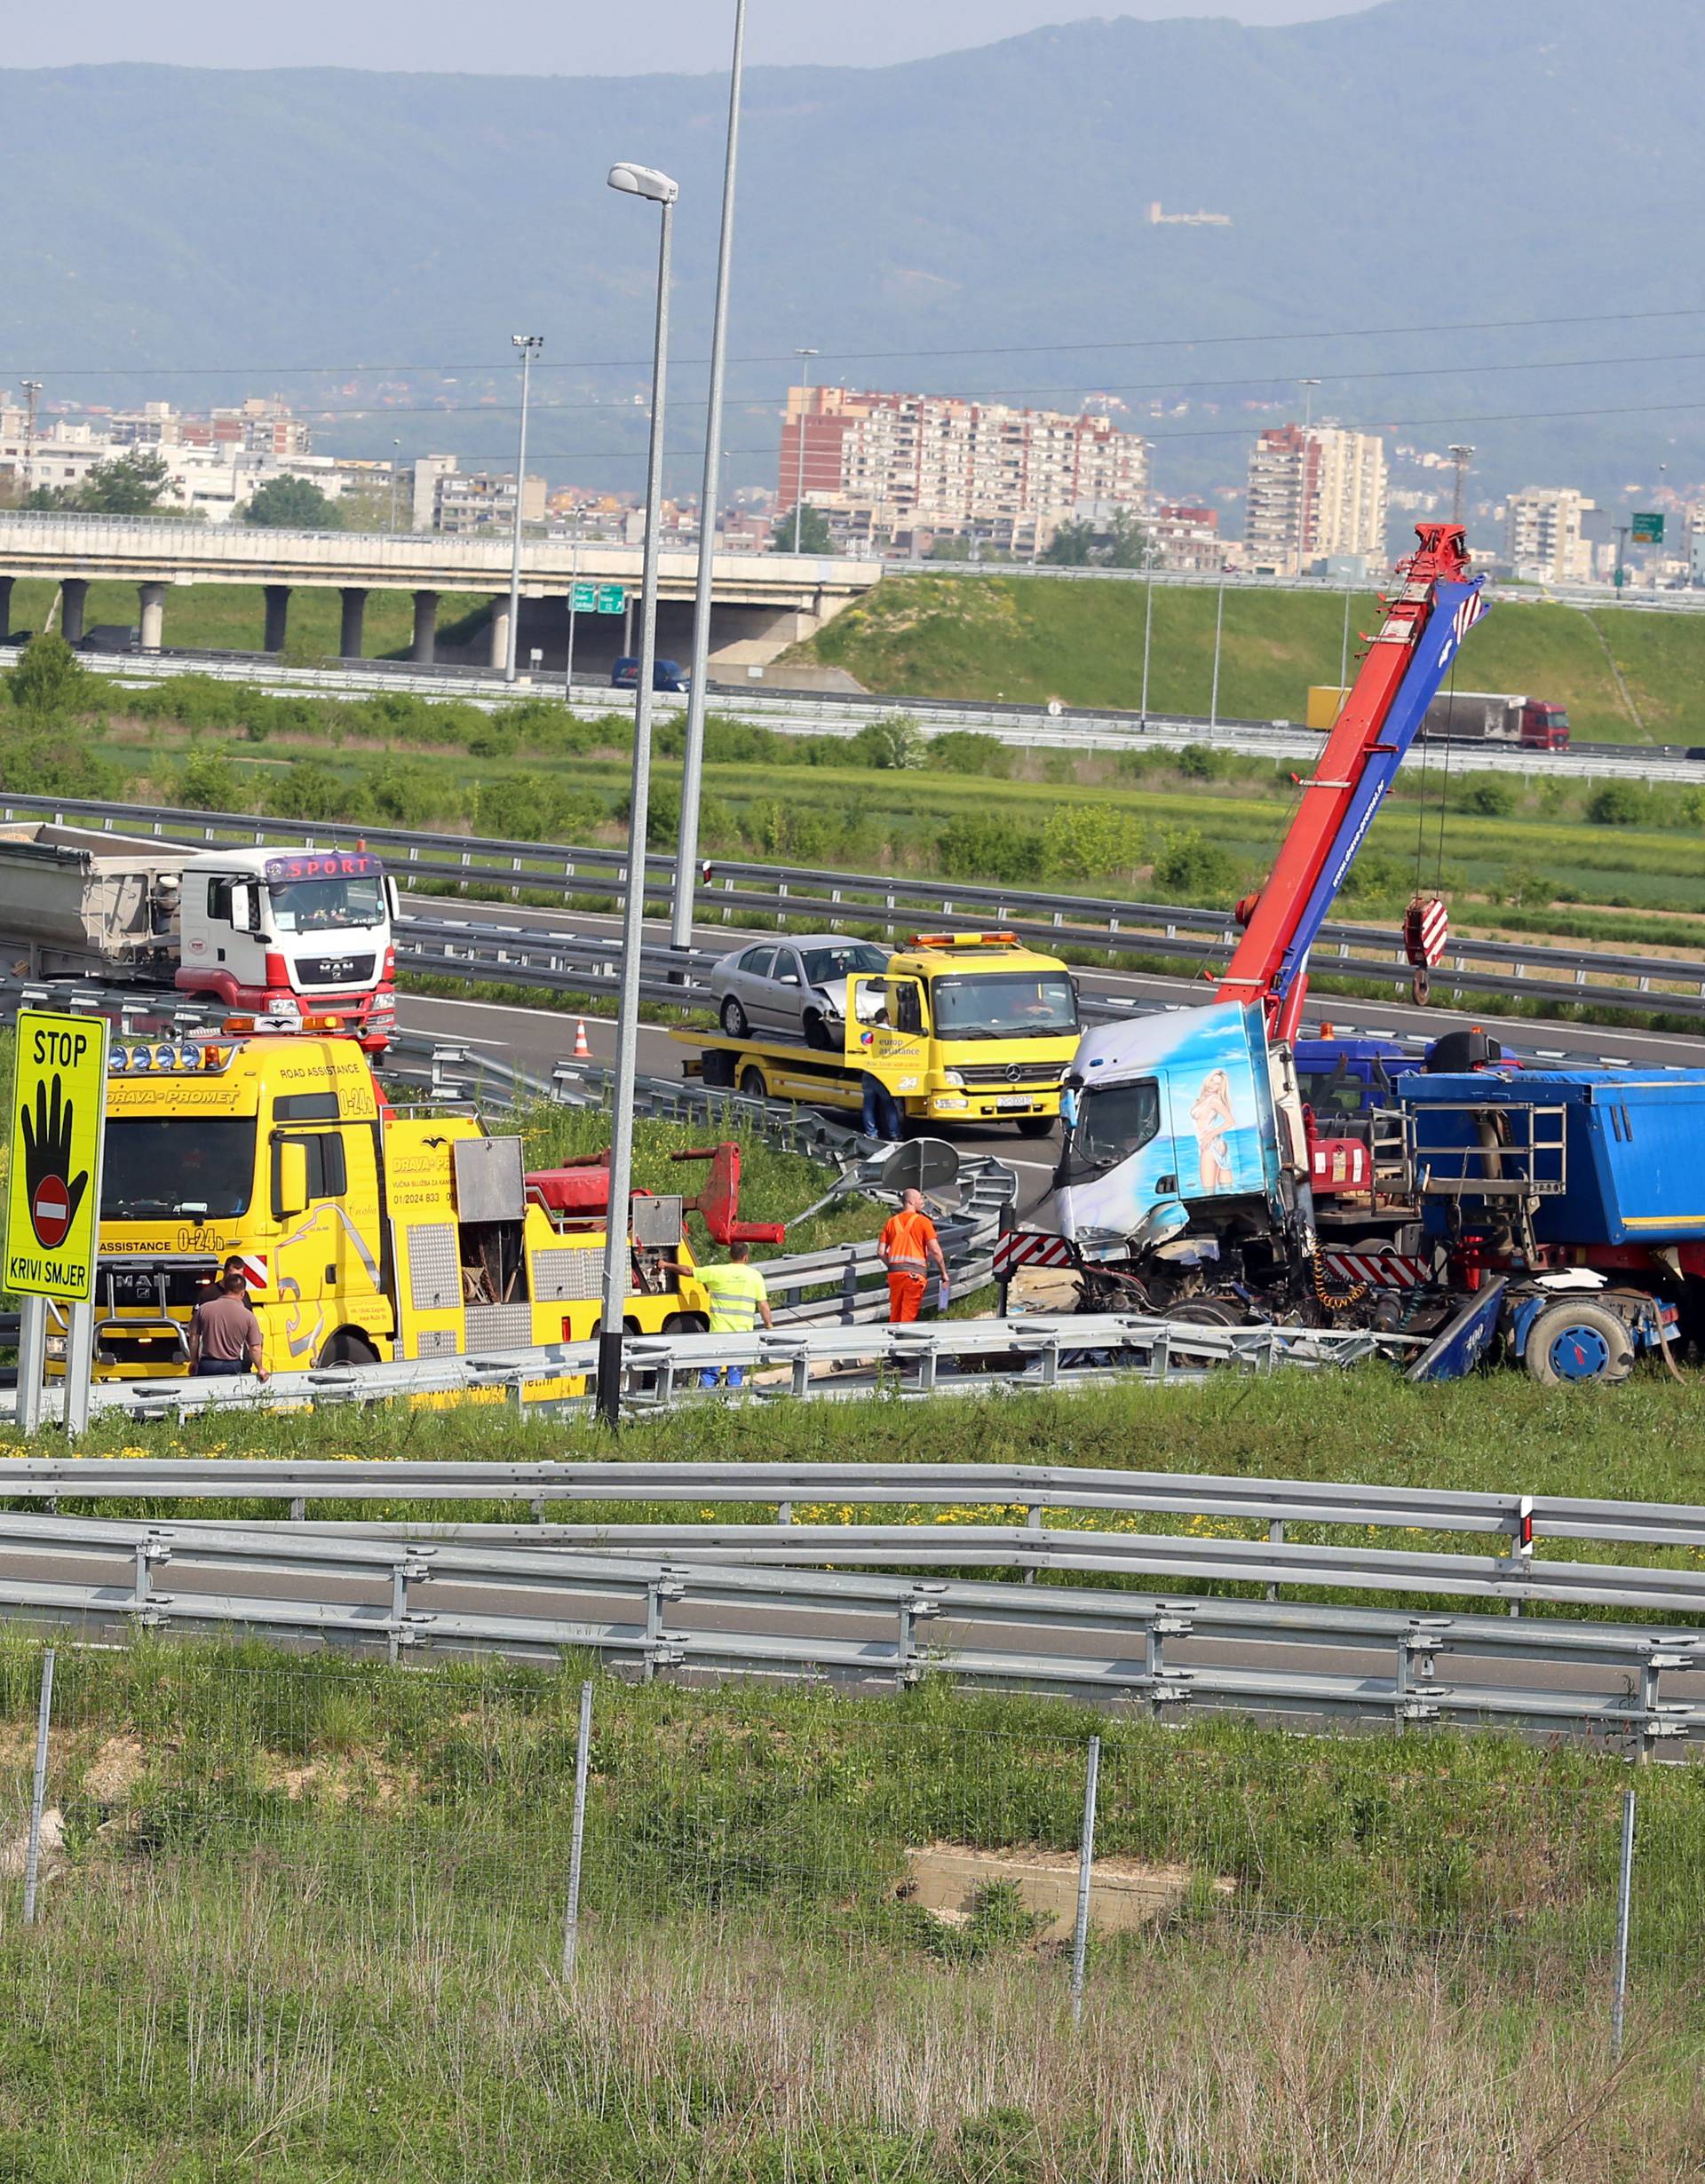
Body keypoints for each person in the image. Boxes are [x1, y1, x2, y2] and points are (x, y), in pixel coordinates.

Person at [665, 1240, 773, 1389]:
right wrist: (769, 1326)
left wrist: (667, 1265)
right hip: (742, 1336)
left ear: (730, 1255)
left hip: (717, 1335)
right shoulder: (755, 1277)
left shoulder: (717, 1272)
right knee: (735, 1376)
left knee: (709, 1374)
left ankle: (705, 1404)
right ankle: (733, 1404)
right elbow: (763, 1306)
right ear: (746, 1257)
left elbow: (689, 1271)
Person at [187, 1259, 268, 1380]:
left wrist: (193, 1361)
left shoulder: (204, 1309)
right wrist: (260, 1368)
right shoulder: (247, 1315)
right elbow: (255, 1347)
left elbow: (194, 1336)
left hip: (207, 1365)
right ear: (242, 1293)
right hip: (233, 1364)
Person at [879, 1188, 949, 1323]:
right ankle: (904, 1341)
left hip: (895, 1274)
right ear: (911, 1201)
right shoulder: (923, 1222)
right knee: (907, 1315)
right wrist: (943, 1273)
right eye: (920, 1199)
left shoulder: (891, 1222)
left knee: (895, 1312)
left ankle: (892, 1341)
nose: (922, 1201)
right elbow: (935, 1250)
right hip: (914, 1276)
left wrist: (895, 1266)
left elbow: (881, 1252)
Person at [1189, 1068, 1236, 1192]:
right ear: (1207, 1080)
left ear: (1220, 1088)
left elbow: (1230, 1122)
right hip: (1215, 1144)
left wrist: (1210, 1135)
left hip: (1210, 1145)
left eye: (1217, 1084)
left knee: (1208, 1191)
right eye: (1211, 1081)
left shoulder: (1214, 1100)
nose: (1212, 1085)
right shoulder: (1201, 1100)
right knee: (1227, 1191)